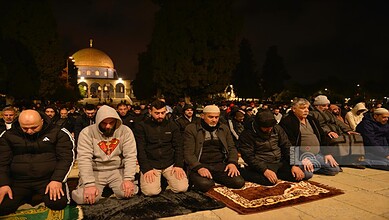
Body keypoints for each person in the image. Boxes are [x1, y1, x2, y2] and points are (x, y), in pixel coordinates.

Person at [0, 110, 75, 215]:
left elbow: (66, 158)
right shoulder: (8, 135)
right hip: (18, 181)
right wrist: (3, 183)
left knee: (58, 204)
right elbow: (2, 162)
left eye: (34, 127)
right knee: (3, 207)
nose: (30, 131)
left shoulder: (58, 132)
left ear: (42, 121)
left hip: (48, 179)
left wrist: (57, 180)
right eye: (25, 128)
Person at [71, 105, 138, 204]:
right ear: (98, 121)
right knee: (85, 198)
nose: (108, 126)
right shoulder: (86, 133)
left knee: (127, 192)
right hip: (95, 171)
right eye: (104, 123)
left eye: (111, 123)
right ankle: (81, 187)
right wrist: (89, 184)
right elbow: (84, 159)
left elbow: (130, 156)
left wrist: (128, 179)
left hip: (117, 169)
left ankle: (116, 187)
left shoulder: (126, 131)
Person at [238, 110, 312, 186]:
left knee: (304, 174)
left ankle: (276, 174)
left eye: (271, 127)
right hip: (262, 163)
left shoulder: (277, 129)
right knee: (269, 181)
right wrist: (264, 170)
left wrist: (294, 164)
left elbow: (287, 146)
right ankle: (244, 171)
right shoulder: (247, 134)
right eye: (266, 128)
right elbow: (248, 156)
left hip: (280, 161)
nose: (269, 129)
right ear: (259, 125)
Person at [184, 105, 245, 192]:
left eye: (216, 117)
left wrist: (232, 162)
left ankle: (215, 178)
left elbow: (232, 148)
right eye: (211, 117)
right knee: (206, 185)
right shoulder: (192, 129)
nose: (214, 120)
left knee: (238, 182)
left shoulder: (224, 128)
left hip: (220, 164)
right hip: (201, 164)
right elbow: (188, 153)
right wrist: (199, 167)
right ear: (202, 116)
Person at [134, 100, 188, 196]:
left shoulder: (173, 125)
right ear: (150, 112)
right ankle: (156, 180)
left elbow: (179, 146)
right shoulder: (142, 126)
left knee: (182, 188)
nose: (160, 116)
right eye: (157, 113)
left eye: (163, 113)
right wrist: (146, 168)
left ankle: (165, 179)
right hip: (151, 164)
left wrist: (179, 165)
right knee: (151, 192)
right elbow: (140, 149)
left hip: (170, 163)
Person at [279, 98, 341, 176]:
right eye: (302, 108)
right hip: (301, 156)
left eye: (307, 108)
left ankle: (312, 167)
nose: (306, 110)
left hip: (316, 154)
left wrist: (327, 153)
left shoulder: (312, 120)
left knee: (334, 169)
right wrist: (300, 159)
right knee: (307, 175)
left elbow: (322, 136)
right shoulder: (287, 122)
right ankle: (309, 168)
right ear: (294, 109)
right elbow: (288, 144)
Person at [310, 95, 365, 168]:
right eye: (323, 106)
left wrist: (347, 130)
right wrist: (328, 132)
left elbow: (337, 122)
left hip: (337, 131)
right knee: (337, 139)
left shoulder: (328, 113)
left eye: (327, 105)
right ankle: (338, 162)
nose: (326, 107)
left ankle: (352, 160)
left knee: (356, 137)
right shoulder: (312, 114)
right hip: (325, 133)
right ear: (317, 106)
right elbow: (316, 126)